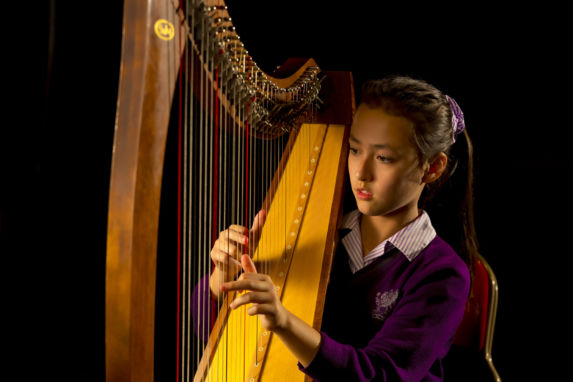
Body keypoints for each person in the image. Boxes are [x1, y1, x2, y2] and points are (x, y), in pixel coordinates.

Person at [194, 75, 475, 381]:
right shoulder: (320, 233)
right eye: (354, 150)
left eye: (383, 157)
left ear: (432, 168)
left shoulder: (442, 274)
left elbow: (381, 374)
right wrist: (224, 274)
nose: (361, 172)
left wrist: (284, 322)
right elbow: (209, 331)